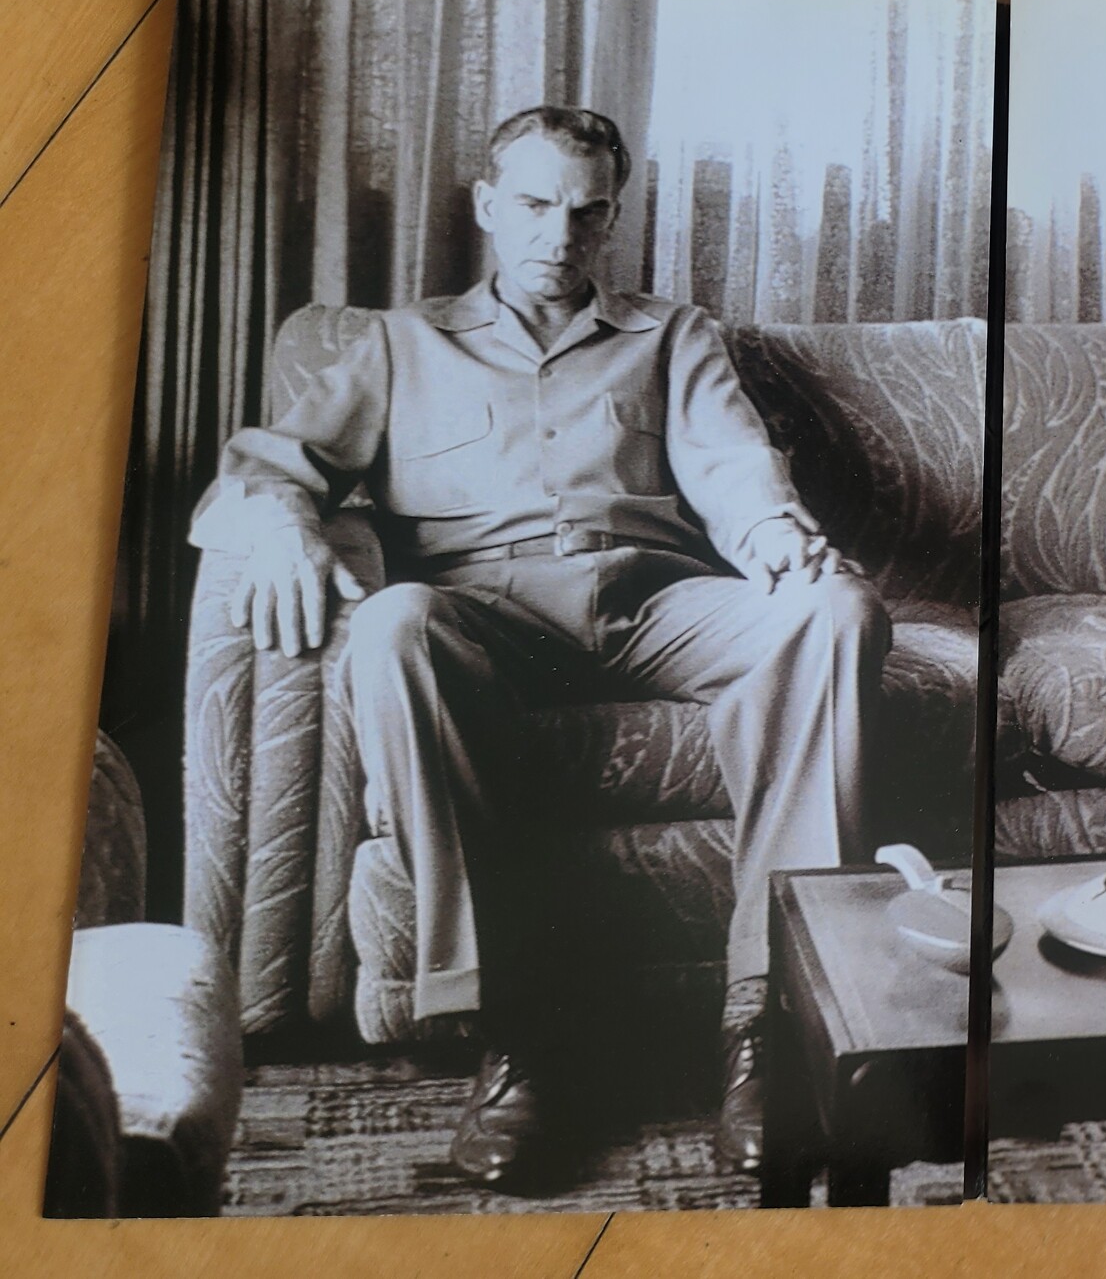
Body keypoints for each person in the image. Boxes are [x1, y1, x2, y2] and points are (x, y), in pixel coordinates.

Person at [190, 105, 889, 1186]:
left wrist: (778, 539)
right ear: (485, 205)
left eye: (587, 212)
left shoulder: (673, 334)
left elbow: (735, 467)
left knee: (837, 613)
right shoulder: (398, 343)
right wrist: (284, 522)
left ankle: (768, 1023)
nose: (560, 235)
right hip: (486, 613)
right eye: (533, 205)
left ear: (612, 218)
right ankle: (515, 1031)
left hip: (658, 600)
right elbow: (266, 465)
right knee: (391, 623)